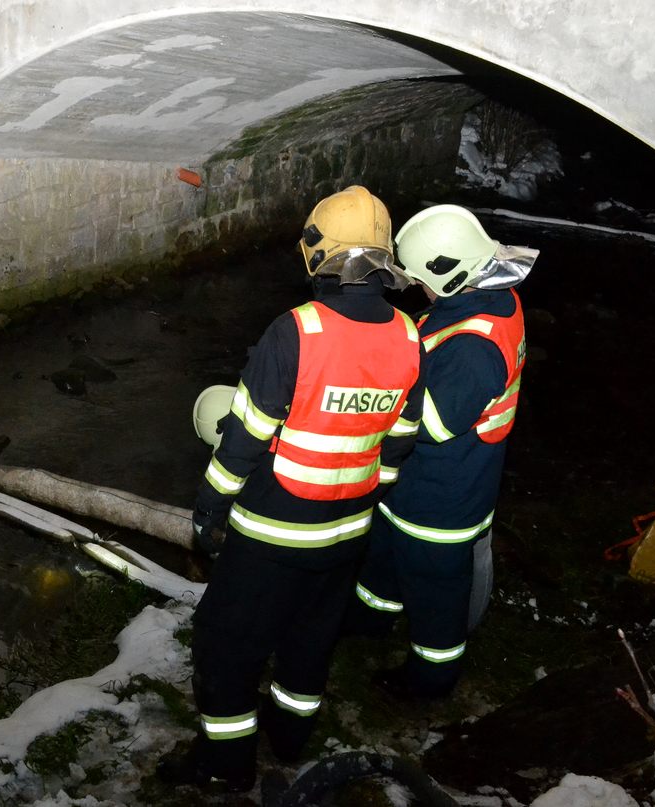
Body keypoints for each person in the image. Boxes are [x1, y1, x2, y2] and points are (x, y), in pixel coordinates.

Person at [159, 186, 425, 793]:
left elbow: (245, 439)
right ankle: (288, 738)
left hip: (272, 533)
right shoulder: (410, 336)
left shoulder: (296, 331)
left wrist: (209, 509)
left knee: (226, 645)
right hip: (347, 533)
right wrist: (366, 494)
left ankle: (225, 766)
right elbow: (399, 442)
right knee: (309, 640)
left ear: (318, 252)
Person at [347, 204, 538, 700]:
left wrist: (370, 390)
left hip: (441, 500)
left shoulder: (474, 349)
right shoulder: (486, 299)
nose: (417, 289)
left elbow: (429, 425)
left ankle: (431, 678)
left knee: (435, 596)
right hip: (413, 489)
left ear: (450, 273)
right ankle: (370, 620)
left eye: (420, 281)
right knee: (384, 558)